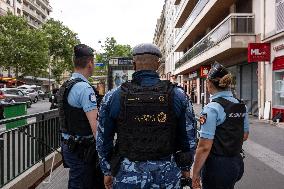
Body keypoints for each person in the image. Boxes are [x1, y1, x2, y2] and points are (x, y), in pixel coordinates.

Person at [96, 43, 196, 189]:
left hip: (127, 176)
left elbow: (103, 139)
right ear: (158, 65)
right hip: (167, 175)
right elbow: (189, 138)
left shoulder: (113, 96)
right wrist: (186, 168)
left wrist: (107, 170)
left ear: (133, 65)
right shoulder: (178, 95)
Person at [192, 62, 249, 189]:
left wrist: (195, 174)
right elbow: (244, 136)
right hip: (236, 163)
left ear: (209, 84)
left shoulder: (212, 108)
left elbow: (204, 147)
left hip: (217, 167)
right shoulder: (241, 105)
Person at [57, 44, 104, 189]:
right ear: (90, 63)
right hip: (82, 149)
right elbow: (95, 126)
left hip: (69, 145)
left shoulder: (66, 85)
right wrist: (105, 152)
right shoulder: (84, 88)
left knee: (76, 181)